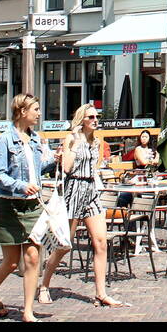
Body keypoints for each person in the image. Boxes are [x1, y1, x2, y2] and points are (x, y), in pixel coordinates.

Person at [38, 104, 126, 309]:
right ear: (82, 120)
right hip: (75, 188)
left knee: (101, 242)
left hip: (91, 189)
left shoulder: (95, 141)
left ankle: (101, 293)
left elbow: (95, 167)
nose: (96, 120)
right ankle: (44, 285)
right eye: (91, 117)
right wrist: (74, 145)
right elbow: (67, 168)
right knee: (64, 244)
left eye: (97, 116)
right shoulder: (72, 138)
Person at [0, 94, 57, 323]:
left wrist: (54, 160)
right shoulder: (4, 140)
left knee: (33, 257)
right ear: (22, 111)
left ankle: (27, 311)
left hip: (33, 205)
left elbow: (37, 168)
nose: (39, 113)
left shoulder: (35, 139)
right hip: (10, 205)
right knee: (12, 262)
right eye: (35, 109)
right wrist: (21, 186)